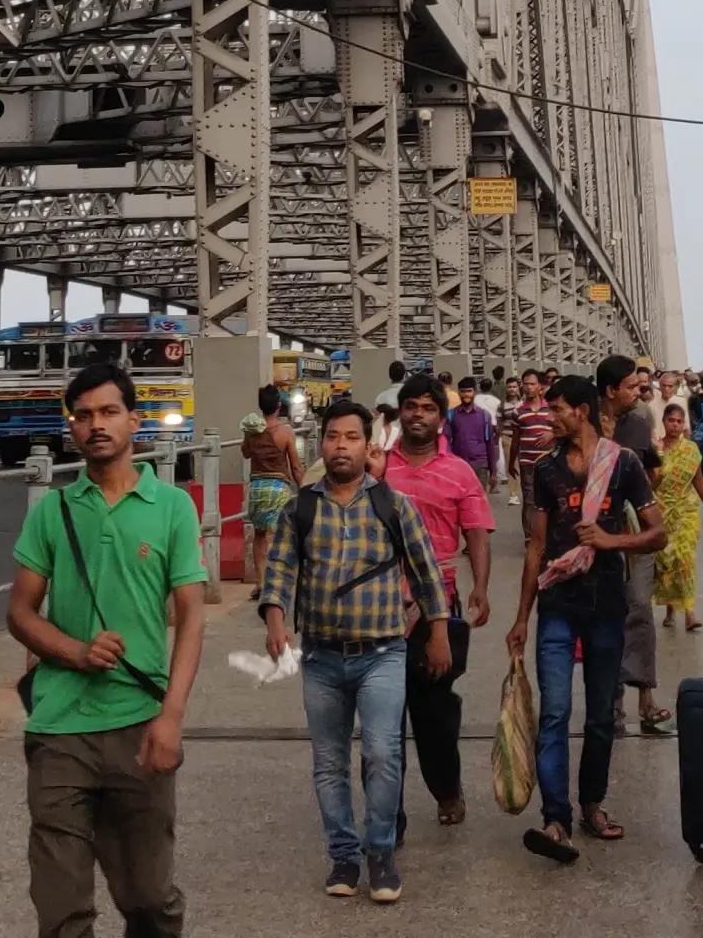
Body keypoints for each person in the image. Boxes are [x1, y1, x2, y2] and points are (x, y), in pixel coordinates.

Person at [8, 361, 207, 938]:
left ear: (133, 421)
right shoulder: (53, 511)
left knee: (147, 898)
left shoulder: (171, 507)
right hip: (58, 728)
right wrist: (73, 652)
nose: (96, 424)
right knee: (61, 906)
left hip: (138, 726)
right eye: (83, 415)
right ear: (72, 428)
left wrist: (171, 717)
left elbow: (192, 615)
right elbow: (19, 611)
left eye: (108, 412)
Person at [255, 399, 447, 902]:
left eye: (352, 437)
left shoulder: (392, 505)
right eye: (334, 437)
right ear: (321, 444)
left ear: (369, 445)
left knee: (383, 753)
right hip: (320, 657)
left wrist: (440, 631)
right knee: (329, 762)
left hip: (383, 652)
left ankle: (380, 852)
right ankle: (344, 856)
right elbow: (278, 572)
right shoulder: (301, 507)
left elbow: (426, 572)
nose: (341, 446)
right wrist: (276, 622)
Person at [508, 373, 659, 863]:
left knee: (598, 716)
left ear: (582, 411)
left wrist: (612, 541)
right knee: (553, 714)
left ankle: (592, 802)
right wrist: (521, 617)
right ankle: (556, 820)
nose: (550, 418)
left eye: (557, 411)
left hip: (606, 604)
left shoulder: (624, 465)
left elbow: (658, 532)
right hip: (557, 602)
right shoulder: (545, 468)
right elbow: (536, 545)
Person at [377, 373, 492, 830]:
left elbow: (476, 534)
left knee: (433, 713)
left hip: (436, 608)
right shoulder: (379, 468)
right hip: (381, 607)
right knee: (384, 717)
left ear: (440, 419)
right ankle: (392, 813)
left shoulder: (460, 472)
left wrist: (480, 586)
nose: (417, 415)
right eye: (410, 407)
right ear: (400, 413)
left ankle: (447, 788)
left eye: (427, 408)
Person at [596, 357, 667, 737]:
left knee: (639, 608)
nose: (638, 392)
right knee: (607, 615)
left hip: (634, 535)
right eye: (630, 386)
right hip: (596, 537)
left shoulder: (638, 424)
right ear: (610, 390)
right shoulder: (584, 424)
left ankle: (646, 700)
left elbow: (652, 470)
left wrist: (638, 504)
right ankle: (612, 706)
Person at [238, 382, 303, 581]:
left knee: (259, 536)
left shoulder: (252, 431)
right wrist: (305, 489)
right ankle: (277, 580)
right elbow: (296, 467)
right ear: (278, 406)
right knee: (278, 535)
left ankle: (260, 581)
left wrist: (249, 435)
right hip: (278, 488)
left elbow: (246, 453)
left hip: (257, 487)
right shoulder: (285, 432)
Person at [653, 404, 703, 635]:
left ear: (684, 424)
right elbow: (651, 484)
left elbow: (698, 480)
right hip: (663, 510)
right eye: (671, 420)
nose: (675, 425)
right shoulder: (656, 449)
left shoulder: (691, 450)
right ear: (664, 422)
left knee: (685, 560)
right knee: (667, 561)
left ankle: (691, 613)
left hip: (686, 511)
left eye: (679, 421)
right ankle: (671, 611)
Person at [504, 371, 555, 509]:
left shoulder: (551, 408)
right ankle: (530, 531)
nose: (529, 388)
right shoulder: (518, 411)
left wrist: (552, 433)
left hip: (549, 462)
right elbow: (515, 440)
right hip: (527, 463)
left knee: (550, 501)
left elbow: (563, 430)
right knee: (530, 502)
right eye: (526, 384)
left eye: (532, 384)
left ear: (540, 386)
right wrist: (511, 464)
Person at [442, 378, 499, 501]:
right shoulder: (451, 415)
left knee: (479, 502)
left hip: (480, 466)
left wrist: (493, 471)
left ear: (475, 392)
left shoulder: (484, 416)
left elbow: (490, 443)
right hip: (458, 467)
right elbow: (445, 442)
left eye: (469, 391)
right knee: (460, 501)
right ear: (458, 392)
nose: (466, 395)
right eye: (463, 391)